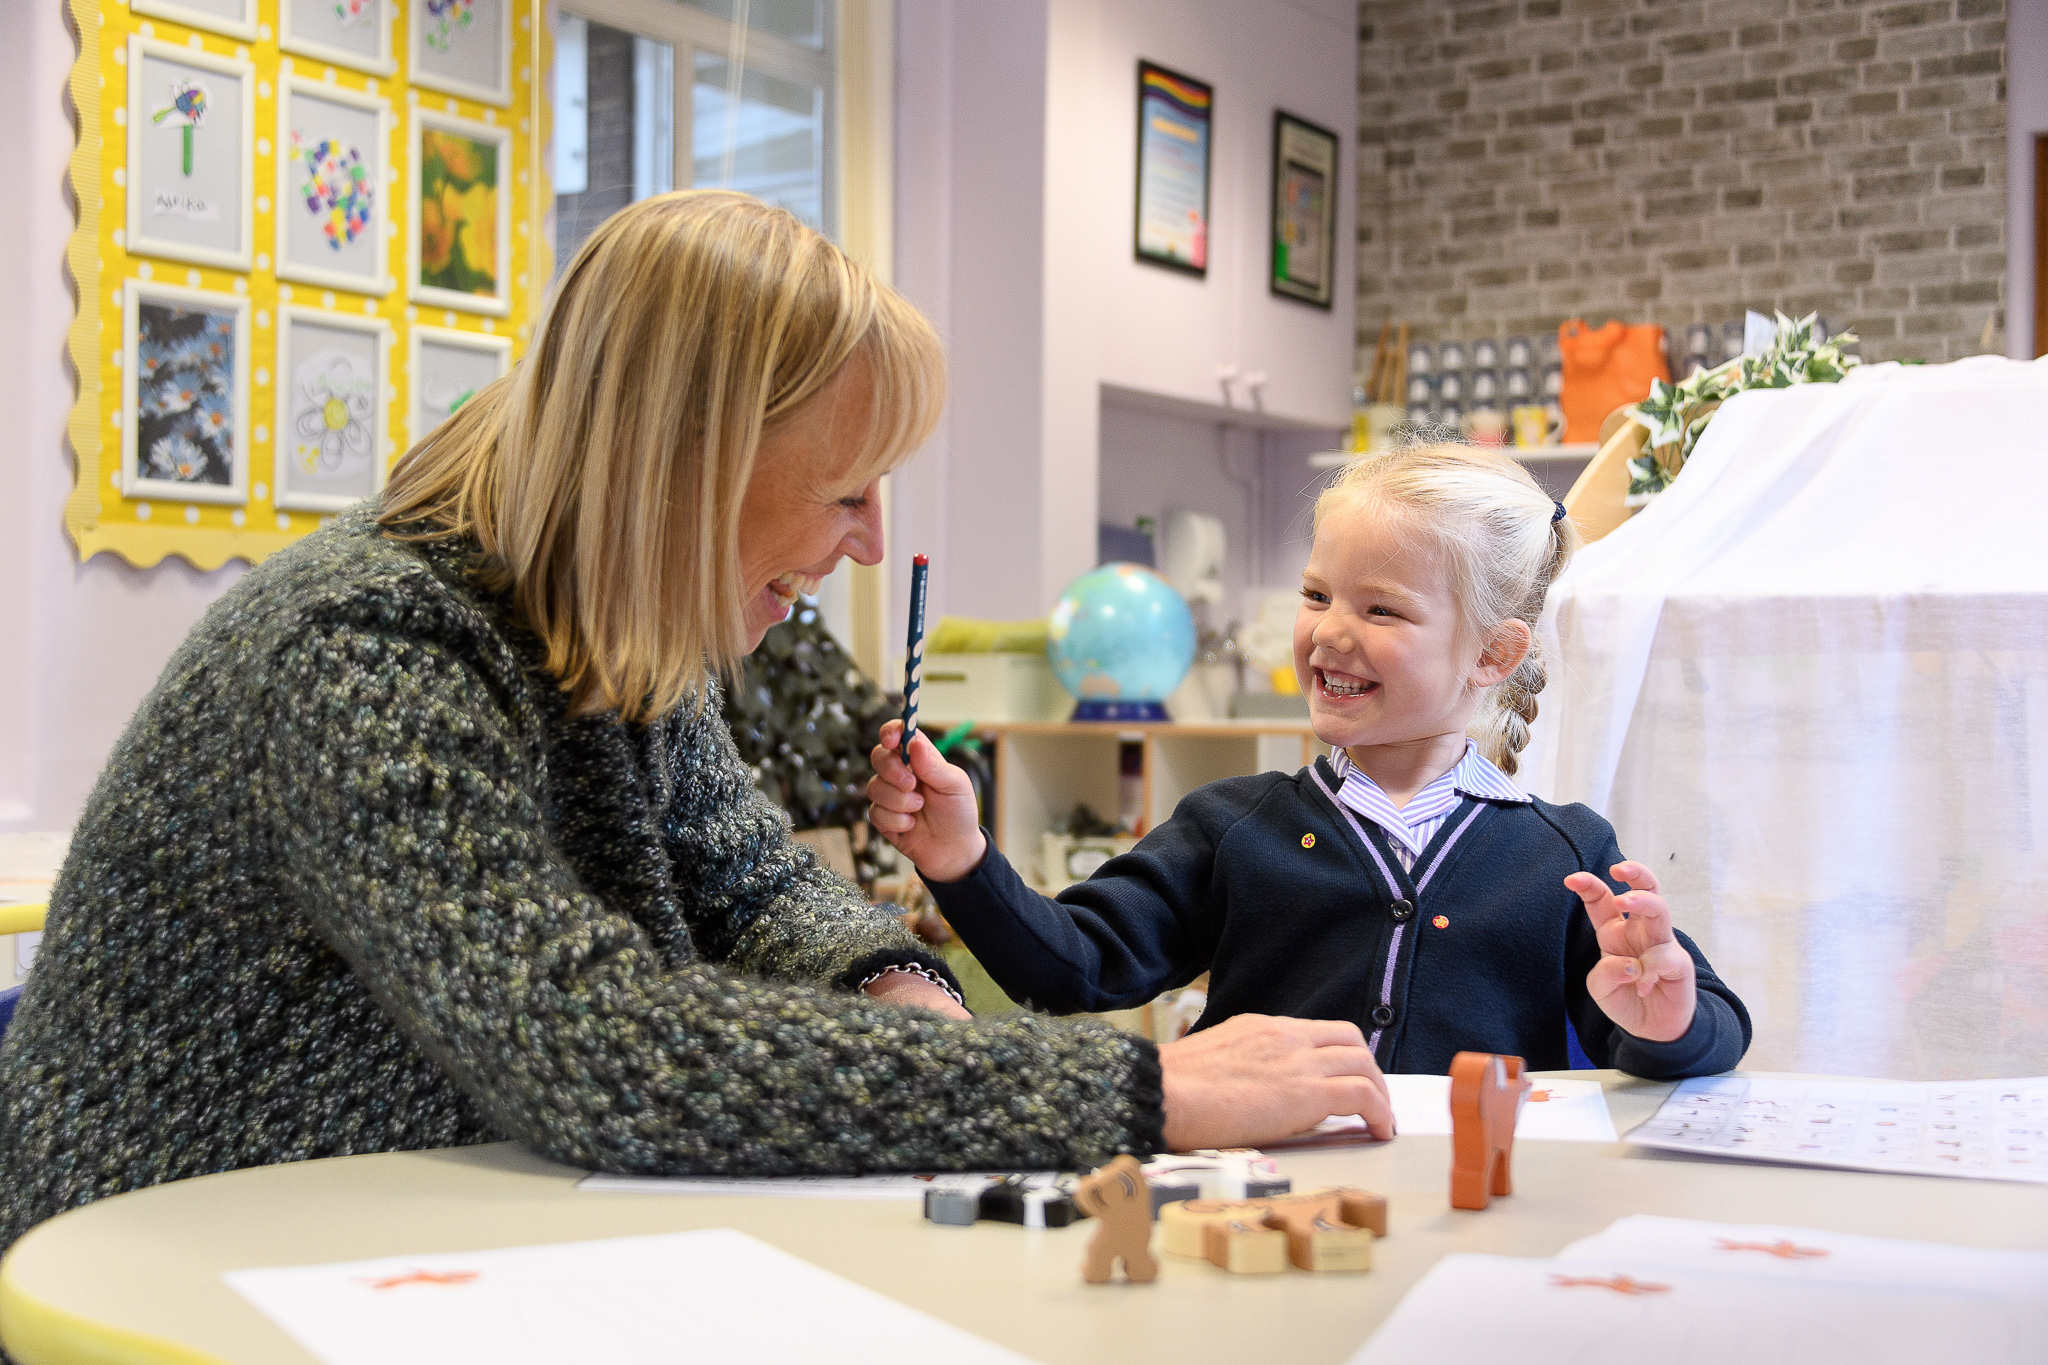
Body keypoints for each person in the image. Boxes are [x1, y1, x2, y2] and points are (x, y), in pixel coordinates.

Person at [0, 192, 1393, 1258]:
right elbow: (591, 1045)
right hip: (173, 1265)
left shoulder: (613, 629)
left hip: (380, 1239)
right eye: (846, 489)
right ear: (685, 465)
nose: (869, 544)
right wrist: (1129, 1094)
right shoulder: (367, 649)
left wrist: (884, 985)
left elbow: (755, 875)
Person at [869, 443, 1751, 1078]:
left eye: (1382, 610)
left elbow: (1708, 1030)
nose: (1329, 631)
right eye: (1317, 593)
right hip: (1259, 1208)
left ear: (1492, 655)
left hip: (1468, 1222)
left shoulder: (1566, 856)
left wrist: (1666, 1020)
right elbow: (1072, 965)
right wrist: (964, 861)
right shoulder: (1231, 826)